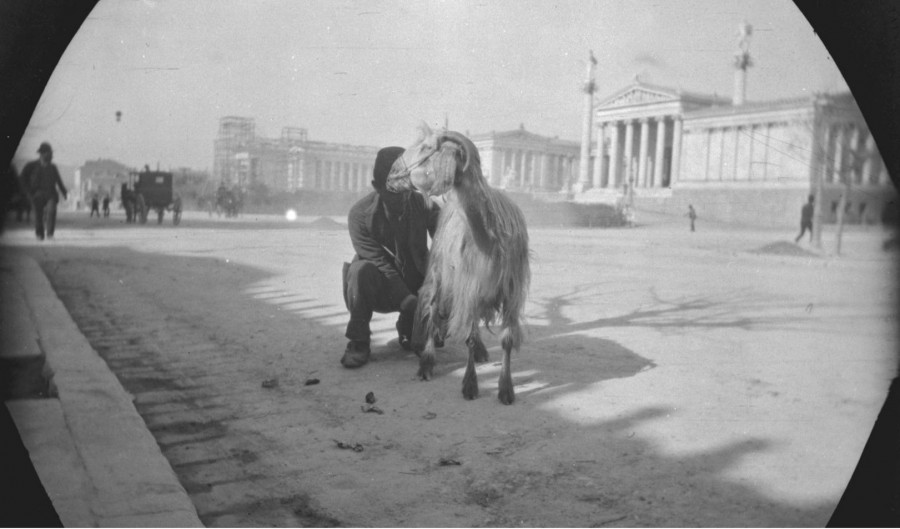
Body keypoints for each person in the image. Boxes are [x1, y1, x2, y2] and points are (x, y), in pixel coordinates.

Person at [340, 146, 440, 368]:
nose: (401, 197)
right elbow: (378, 262)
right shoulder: (359, 215)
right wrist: (408, 300)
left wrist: (435, 292)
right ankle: (359, 341)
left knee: (446, 272)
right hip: (380, 288)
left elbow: (446, 239)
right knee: (360, 271)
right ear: (377, 187)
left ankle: (409, 327)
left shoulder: (424, 204)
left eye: (405, 188)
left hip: (416, 285)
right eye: (392, 191)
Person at [21, 142, 67, 240]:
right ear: (42, 154)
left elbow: (59, 180)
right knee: (38, 214)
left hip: (51, 194)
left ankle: (50, 234)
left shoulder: (53, 167)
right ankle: (39, 234)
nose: (51, 156)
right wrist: (28, 192)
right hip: (37, 194)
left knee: (52, 211)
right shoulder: (31, 166)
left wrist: (64, 192)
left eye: (51, 153)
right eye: (49, 153)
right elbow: (22, 178)